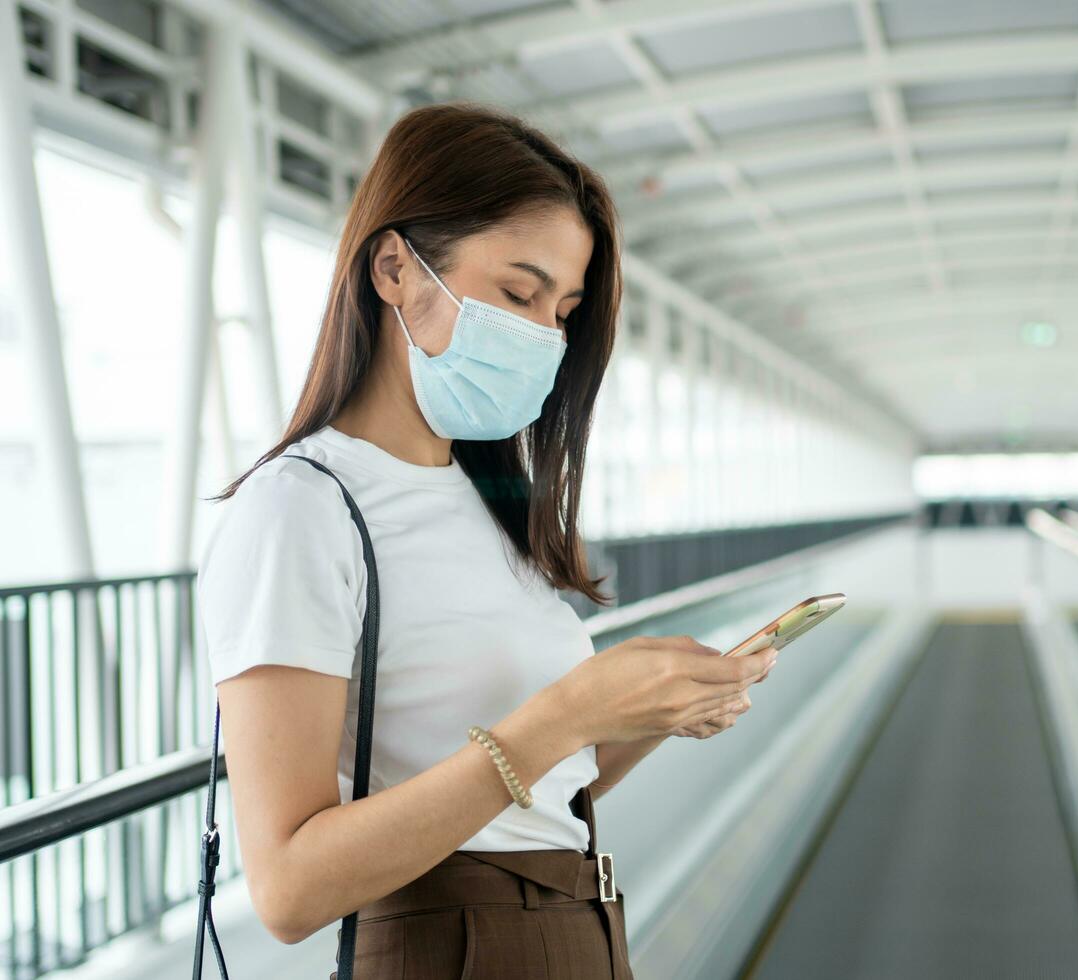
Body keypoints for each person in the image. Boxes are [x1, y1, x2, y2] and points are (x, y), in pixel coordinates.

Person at [196, 104, 777, 978]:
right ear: (395, 268)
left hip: (574, 928)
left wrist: (651, 712)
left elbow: (528, 794)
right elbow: (287, 888)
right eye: (518, 293)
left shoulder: (488, 503)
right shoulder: (301, 508)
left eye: (563, 310)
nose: (545, 335)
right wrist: (565, 714)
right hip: (448, 946)